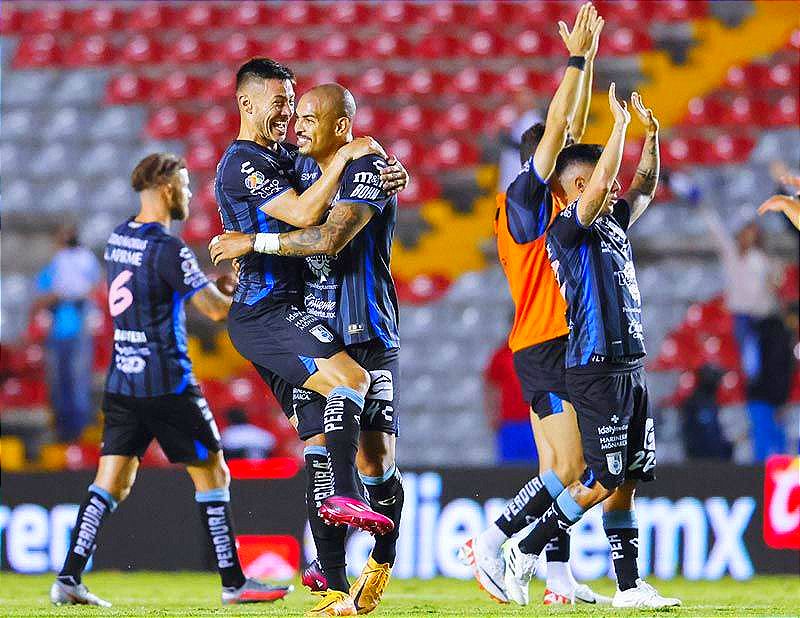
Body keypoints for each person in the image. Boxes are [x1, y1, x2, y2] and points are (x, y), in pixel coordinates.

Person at [50, 154, 291, 607]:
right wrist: (234, 287)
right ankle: (234, 582)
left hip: (124, 380)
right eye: (182, 184)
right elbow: (214, 312)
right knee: (214, 473)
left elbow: (154, 293)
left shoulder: (118, 238)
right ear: (163, 187)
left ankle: (68, 577)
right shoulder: (169, 249)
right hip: (168, 381)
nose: (187, 193)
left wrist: (208, 286)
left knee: (112, 480)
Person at [210, 83, 404, 617]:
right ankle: (336, 587)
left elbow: (327, 238)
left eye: (306, 116)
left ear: (340, 126)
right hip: (316, 325)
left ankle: (382, 558)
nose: (295, 124)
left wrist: (251, 245)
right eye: (291, 113)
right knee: (320, 445)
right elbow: (285, 208)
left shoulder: (364, 167)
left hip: (369, 330)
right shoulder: (295, 166)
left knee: (379, 460)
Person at [501, 84, 679, 609]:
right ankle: (525, 551)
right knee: (603, 476)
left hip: (630, 367)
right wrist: (619, 127)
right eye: (601, 176)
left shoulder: (613, 222)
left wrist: (652, 137)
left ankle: (628, 587)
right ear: (578, 183)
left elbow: (642, 189)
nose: (613, 185)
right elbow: (605, 184)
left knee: (626, 483)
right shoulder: (567, 230)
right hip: (593, 366)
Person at [460, 2, 609, 606]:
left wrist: (590, 63)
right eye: (556, 149)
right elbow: (557, 128)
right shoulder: (523, 196)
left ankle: (558, 577)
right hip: (545, 343)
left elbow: (566, 123)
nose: (566, 150)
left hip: (551, 342)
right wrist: (574, 58)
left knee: (558, 468)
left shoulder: (547, 204)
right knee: (573, 472)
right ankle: (491, 542)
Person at [702, 205, 785, 460]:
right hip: (747, 324)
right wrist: (699, 202)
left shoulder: (763, 260)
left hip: (767, 324)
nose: (749, 233)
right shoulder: (734, 256)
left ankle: (775, 446)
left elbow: (775, 289)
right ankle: (763, 451)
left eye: (753, 228)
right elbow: (717, 232)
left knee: (772, 382)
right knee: (754, 377)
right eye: (745, 229)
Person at [33, 224, 101, 442]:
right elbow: (40, 299)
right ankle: (61, 433)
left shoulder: (85, 260)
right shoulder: (54, 266)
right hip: (56, 333)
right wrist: (58, 295)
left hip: (79, 331)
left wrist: (79, 291)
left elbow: (95, 288)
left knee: (78, 383)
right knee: (58, 385)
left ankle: (78, 435)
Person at [484, 339, 536, 463]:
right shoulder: (502, 354)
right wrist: (492, 413)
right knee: (509, 466)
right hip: (510, 422)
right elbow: (490, 385)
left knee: (539, 466)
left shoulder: (536, 352)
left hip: (534, 421)